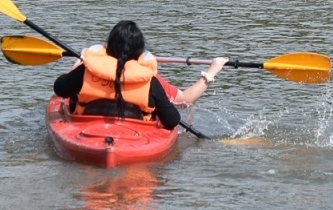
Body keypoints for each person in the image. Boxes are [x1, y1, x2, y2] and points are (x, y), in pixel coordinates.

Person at [53, 21, 226, 131]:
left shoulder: (87, 71)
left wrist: (82, 62)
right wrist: (212, 71)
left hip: (88, 129)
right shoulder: (149, 80)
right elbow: (177, 114)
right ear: (139, 53)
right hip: (134, 134)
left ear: (108, 47)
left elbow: (60, 89)